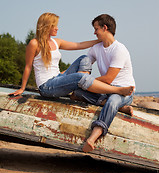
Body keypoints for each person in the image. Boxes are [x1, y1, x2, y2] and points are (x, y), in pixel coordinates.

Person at [11, 12, 134, 108]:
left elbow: (79, 45)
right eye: (55, 25)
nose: (57, 28)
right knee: (79, 77)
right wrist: (22, 88)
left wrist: (101, 39)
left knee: (84, 59)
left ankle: (83, 86)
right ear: (47, 26)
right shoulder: (34, 43)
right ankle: (116, 90)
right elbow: (28, 66)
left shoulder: (56, 41)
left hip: (58, 79)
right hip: (47, 86)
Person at [72, 14, 135, 153]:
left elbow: (108, 79)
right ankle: (120, 107)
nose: (94, 33)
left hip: (123, 90)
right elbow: (82, 67)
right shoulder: (96, 48)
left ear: (104, 28)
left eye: (96, 29)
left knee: (112, 101)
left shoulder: (119, 49)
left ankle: (93, 137)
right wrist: (65, 76)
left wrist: (84, 80)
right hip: (106, 90)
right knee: (77, 93)